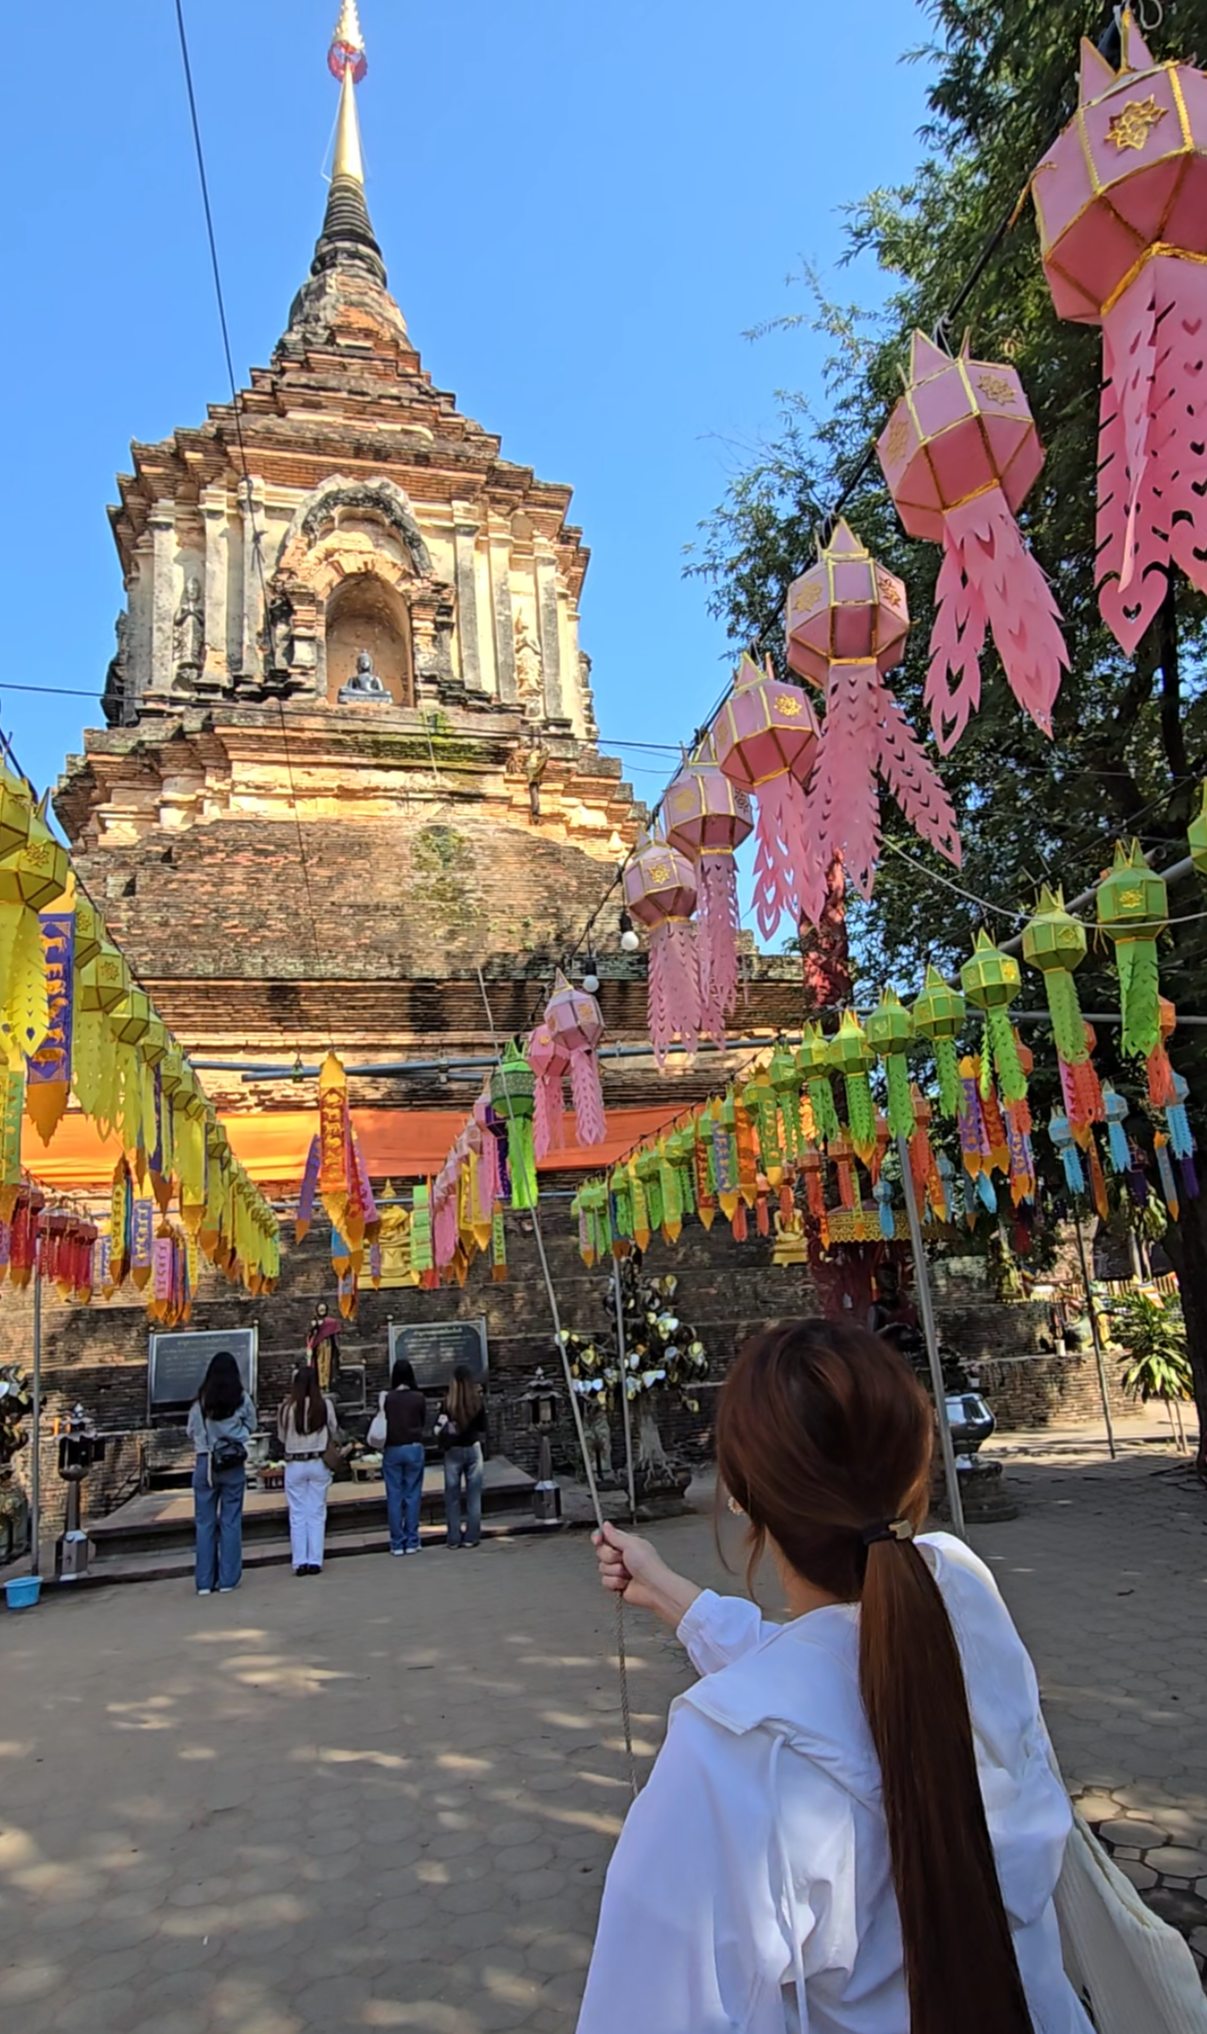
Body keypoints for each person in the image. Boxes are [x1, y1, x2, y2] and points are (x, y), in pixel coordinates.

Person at [579, 1319, 1092, 2034]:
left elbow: (645, 2010)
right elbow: (830, 1673)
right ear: (915, 1469)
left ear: (743, 1497)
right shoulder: (964, 1599)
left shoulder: (728, 1759)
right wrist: (670, 1595)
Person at [187, 1352, 257, 1597]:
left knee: (204, 1523)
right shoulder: (241, 1399)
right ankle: (228, 1579)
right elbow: (252, 1425)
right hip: (232, 1462)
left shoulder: (200, 1402)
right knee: (231, 1520)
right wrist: (236, 1433)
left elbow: (190, 1431)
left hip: (205, 1463)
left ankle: (204, 1582)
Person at [277, 1364, 339, 1576]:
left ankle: (299, 1561)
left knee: (297, 1514)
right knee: (317, 1512)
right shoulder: (324, 1404)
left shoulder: (286, 1408)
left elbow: (282, 1437)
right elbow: (334, 1429)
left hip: (294, 1463)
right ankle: (315, 1560)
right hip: (318, 1462)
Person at [435, 1364, 487, 1549]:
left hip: (453, 1451)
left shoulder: (447, 1403)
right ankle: (472, 1536)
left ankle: (454, 1538)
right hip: (472, 1448)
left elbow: (439, 1427)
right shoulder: (477, 1402)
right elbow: (483, 1427)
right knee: (474, 1496)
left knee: (452, 1497)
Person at [382, 1357, 427, 1556]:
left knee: (394, 1495)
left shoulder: (388, 1398)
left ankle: (397, 1542)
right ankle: (412, 1540)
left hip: (392, 1448)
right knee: (413, 1495)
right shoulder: (419, 1397)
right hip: (414, 1447)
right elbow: (423, 1421)